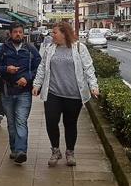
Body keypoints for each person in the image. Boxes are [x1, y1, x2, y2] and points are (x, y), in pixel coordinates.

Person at [32, 22, 99, 167]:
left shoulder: (80, 48)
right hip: (53, 93)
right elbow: (42, 68)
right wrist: (37, 84)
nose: (52, 35)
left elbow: (88, 69)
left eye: (54, 32)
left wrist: (93, 86)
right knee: (51, 121)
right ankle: (55, 150)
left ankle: (70, 152)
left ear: (64, 33)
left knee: (70, 124)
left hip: (73, 95)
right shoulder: (50, 49)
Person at [0, 23, 41, 164]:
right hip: (7, 91)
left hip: (24, 92)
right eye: (15, 32)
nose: (18, 34)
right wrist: (7, 69)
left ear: (23, 34)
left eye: (20, 32)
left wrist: (28, 78)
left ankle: (21, 150)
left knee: (21, 121)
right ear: (10, 34)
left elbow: (40, 68)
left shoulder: (30, 49)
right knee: (11, 123)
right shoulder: (2, 50)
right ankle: (14, 149)